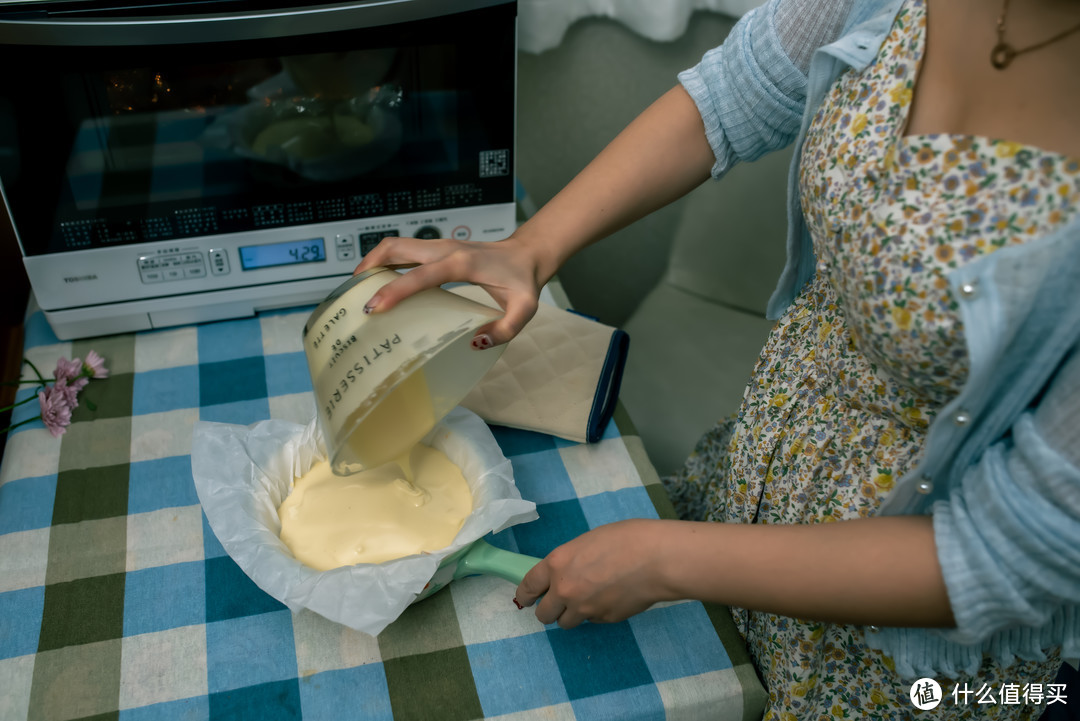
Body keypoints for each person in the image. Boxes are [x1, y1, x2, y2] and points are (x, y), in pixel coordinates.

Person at [355, 0, 1080, 717]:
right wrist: (528, 248)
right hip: (749, 492)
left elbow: (1004, 552)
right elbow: (736, 91)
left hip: (894, 655)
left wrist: (669, 558)